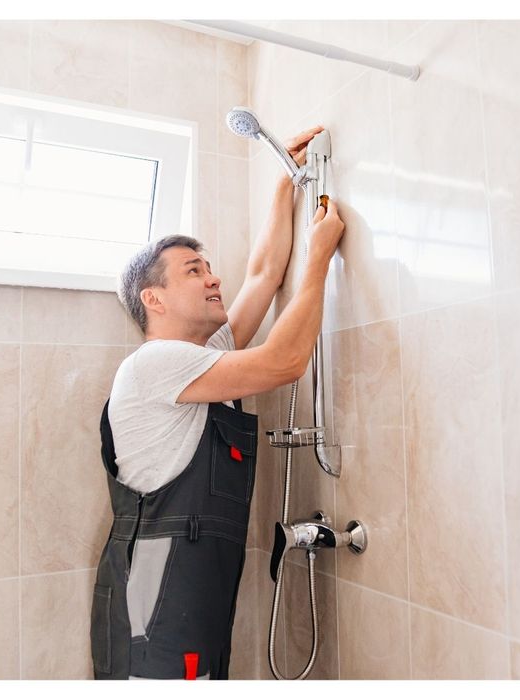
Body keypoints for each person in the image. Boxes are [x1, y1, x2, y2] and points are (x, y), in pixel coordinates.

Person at [90, 126, 346, 680]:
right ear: (152, 298)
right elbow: (283, 363)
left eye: (207, 268)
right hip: (152, 609)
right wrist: (320, 258)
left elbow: (262, 275)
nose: (214, 278)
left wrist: (286, 186)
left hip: (185, 596)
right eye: (194, 271)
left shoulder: (203, 356)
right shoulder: (156, 363)